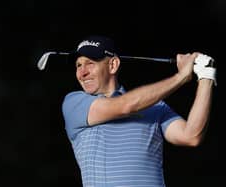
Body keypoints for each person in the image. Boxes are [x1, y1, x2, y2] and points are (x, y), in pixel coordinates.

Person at [62, 35, 216, 187]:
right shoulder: (74, 103)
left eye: (89, 63)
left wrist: (206, 76)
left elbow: (191, 136)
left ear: (113, 65)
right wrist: (181, 76)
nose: (82, 73)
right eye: (78, 65)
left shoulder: (155, 106)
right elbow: (126, 106)